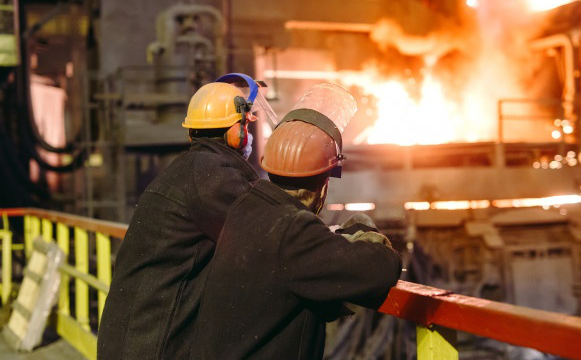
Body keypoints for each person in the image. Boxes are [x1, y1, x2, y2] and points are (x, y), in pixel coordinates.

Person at [191, 83, 402, 360]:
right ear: (323, 184)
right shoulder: (292, 233)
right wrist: (362, 230)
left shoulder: (247, 209)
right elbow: (381, 269)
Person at [98, 73, 273, 360]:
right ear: (236, 133)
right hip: (154, 346)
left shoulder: (192, 168)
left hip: (137, 337)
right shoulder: (212, 176)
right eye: (245, 124)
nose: (248, 134)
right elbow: (269, 230)